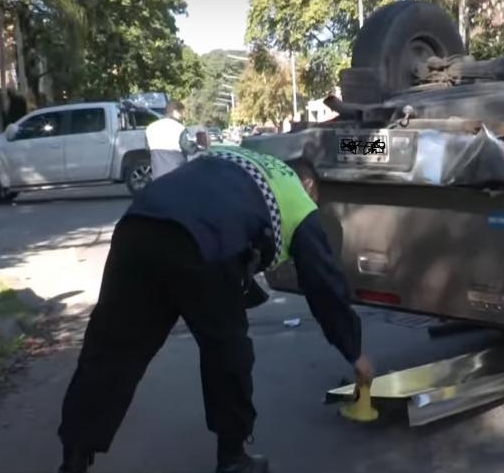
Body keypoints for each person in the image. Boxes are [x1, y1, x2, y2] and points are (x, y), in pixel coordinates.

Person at [57, 145, 374, 473]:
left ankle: (74, 460)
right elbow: (323, 280)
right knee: (227, 352)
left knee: (112, 349)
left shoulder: (238, 157)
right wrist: (354, 351)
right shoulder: (297, 196)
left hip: (139, 222)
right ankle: (233, 460)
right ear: (308, 184)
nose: (314, 207)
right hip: (203, 239)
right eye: (316, 199)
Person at [144, 101, 189, 180]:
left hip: (158, 173)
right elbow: (188, 148)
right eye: (181, 112)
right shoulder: (180, 128)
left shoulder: (150, 127)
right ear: (175, 112)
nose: (183, 116)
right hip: (177, 172)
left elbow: (147, 149)